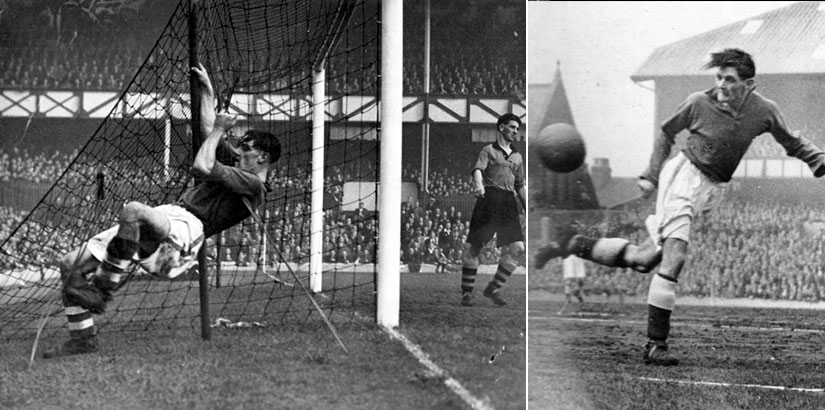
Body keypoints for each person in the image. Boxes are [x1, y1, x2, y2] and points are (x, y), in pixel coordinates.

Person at [534, 48, 825, 365]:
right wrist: (651, 174)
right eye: (718, 77)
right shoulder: (698, 102)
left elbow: (792, 140)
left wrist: (818, 160)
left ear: (749, 84)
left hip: (712, 189)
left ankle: (573, 241)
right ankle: (655, 345)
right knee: (675, 258)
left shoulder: (764, 110)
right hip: (684, 178)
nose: (721, 85)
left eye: (729, 79)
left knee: (644, 258)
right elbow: (665, 131)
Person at [43, 64, 282, 358]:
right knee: (70, 265)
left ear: (263, 158)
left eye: (247, 148)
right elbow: (209, 132)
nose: (240, 149)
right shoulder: (239, 164)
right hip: (171, 214)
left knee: (133, 210)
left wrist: (221, 129)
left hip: (187, 232)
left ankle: (103, 288)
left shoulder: (253, 184)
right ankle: (83, 339)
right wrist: (207, 91)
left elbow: (201, 165)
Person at [461, 113, 526, 307]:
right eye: (512, 127)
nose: (515, 131)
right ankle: (467, 293)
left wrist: (528, 206)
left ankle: (493, 288)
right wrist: (479, 185)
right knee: (473, 248)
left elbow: (520, 185)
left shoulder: (518, 157)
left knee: (517, 249)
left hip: (508, 203)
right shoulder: (488, 150)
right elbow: (478, 170)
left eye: (517, 128)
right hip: (488, 201)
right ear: (501, 128)